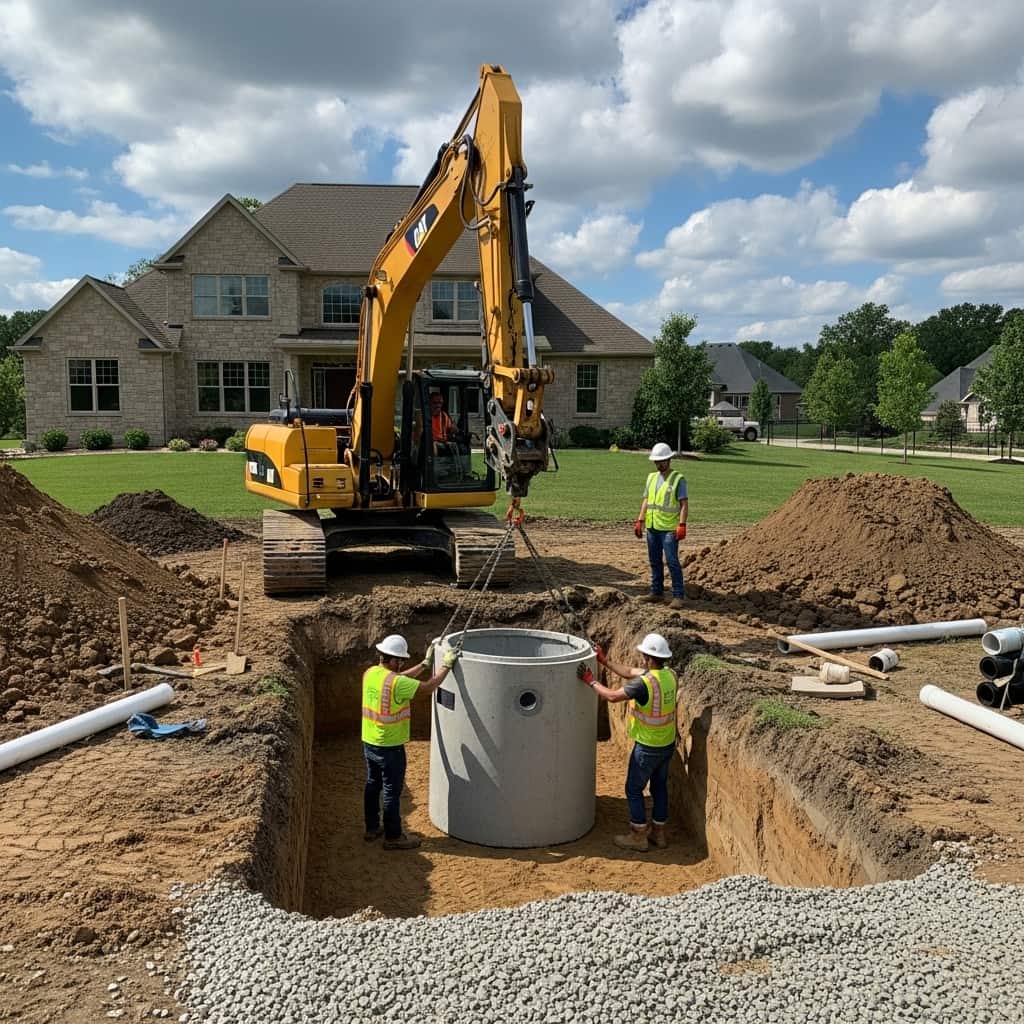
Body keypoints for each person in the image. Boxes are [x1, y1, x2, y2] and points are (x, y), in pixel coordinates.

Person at [578, 633, 677, 852]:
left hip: (647, 747)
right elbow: (629, 672)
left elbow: (612, 696)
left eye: (643, 655)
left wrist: (591, 681)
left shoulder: (644, 684)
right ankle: (659, 834)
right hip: (667, 744)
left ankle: (638, 835)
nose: (641, 658)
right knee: (659, 787)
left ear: (649, 658)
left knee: (633, 789)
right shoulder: (669, 675)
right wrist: (605, 661)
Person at [362, 634, 460, 850]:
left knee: (373, 784)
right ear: (394, 660)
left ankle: (371, 828)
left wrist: (424, 664)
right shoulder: (396, 682)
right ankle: (393, 836)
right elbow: (425, 688)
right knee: (391, 791)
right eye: (401, 661)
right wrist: (446, 666)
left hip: (369, 741)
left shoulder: (372, 673)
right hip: (390, 746)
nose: (402, 665)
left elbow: (399, 681)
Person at [634, 442, 688, 609]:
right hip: (652, 527)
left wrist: (682, 525)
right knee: (654, 561)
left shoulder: (678, 479)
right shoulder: (651, 478)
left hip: (669, 529)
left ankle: (678, 595)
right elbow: (646, 500)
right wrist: (640, 520)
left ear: (669, 460)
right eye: (657, 461)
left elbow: (684, 504)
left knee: (672, 562)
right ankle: (656, 592)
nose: (659, 464)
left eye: (662, 461)